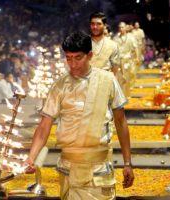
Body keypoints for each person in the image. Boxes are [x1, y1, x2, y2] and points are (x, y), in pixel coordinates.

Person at [25, 31, 134, 200]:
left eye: (77, 58)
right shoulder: (60, 85)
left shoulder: (107, 80)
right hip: (69, 169)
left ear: (90, 55)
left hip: (98, 170)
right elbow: (44, 125)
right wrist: (31, 158)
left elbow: (121, 122)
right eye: (68, 58)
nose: (73, 64)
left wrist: (127, 163)